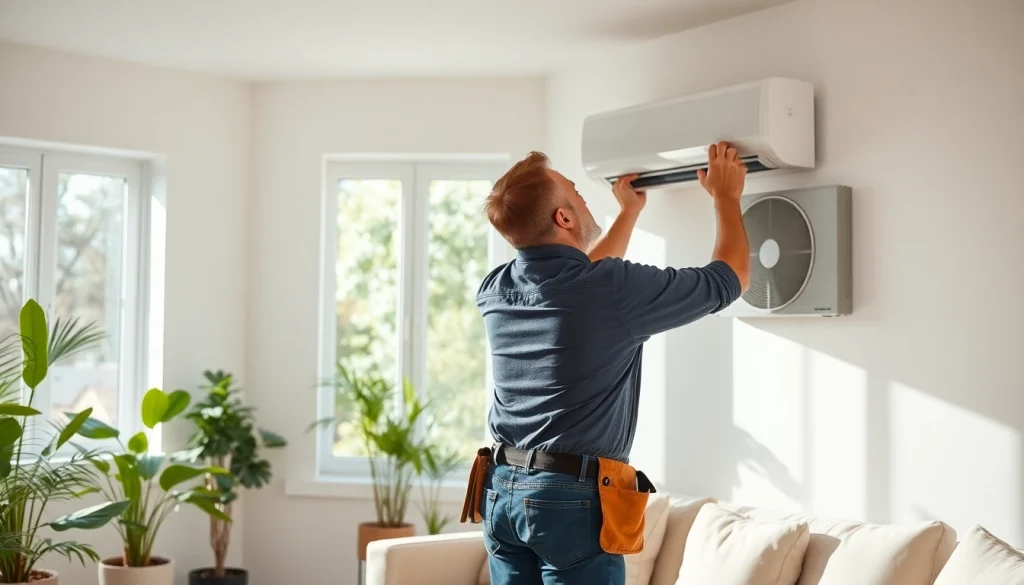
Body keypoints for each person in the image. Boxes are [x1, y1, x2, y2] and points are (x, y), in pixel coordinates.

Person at [470, 142, 750, 585]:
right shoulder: (609, 290)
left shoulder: (496, 288)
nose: (584, 198)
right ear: (564, 218)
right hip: (568, 500)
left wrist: (628, 214)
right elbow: (728, 279)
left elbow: (584, 278)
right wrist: (726, 197)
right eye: (575, 192)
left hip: (501, 489)